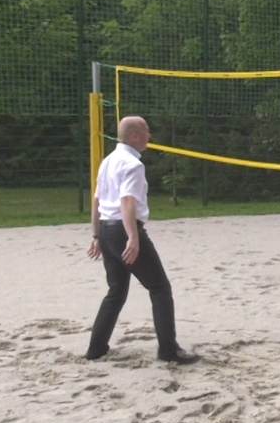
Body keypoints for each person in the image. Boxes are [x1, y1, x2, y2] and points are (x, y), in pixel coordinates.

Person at [85, 116, 200, 364]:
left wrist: (96, 235)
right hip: (123, 230)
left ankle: (96, 348)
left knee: (116, 291)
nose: (150, 136)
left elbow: (97, 201)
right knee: (160, 288)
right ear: (134, 135)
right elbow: (127, 201)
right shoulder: (133, 165)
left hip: (107, 229)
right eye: (147, 131)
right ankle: (168, 350)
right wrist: (133, 238)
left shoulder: (107, 161)